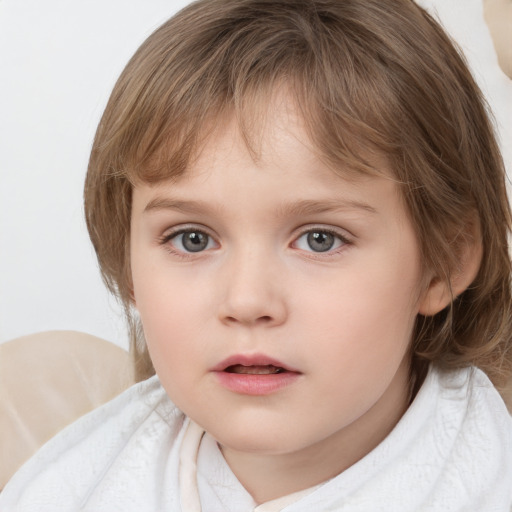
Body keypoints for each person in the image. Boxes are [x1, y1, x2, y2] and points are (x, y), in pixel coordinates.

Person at [1, 0, 511, 510]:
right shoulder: (70, 490)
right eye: (192, 239)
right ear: (128, 263)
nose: (247, 300)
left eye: (320, 239)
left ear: (443, 259)